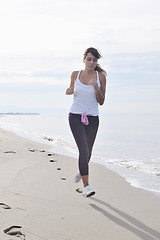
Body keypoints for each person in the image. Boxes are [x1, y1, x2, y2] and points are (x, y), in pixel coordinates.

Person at [66, 47, 106, 197]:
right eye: (89, 59)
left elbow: (101, 101)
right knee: (83, 150)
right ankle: (86, 187)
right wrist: (69, 91)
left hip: (93, 118)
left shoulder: (100, 76)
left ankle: (81, 170)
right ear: (84, 60)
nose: (91, 62)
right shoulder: (75, 74)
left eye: (94, 60)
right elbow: (71, 89)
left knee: (88, 152)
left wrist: (96, 87)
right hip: (75, 116)